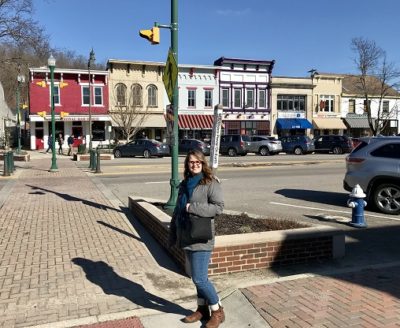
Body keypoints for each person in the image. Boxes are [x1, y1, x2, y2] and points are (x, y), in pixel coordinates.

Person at [169, 149, 225, 328]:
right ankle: (202, 309)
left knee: (200, 278)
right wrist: (173, 234)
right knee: (195, 276)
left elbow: (218, 208)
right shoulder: (184, 184)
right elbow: (178, 210)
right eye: (191, 162)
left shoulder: (210, 182)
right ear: (187, 164)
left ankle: (217, 310)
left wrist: (192, 207)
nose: (194, 165)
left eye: (197, 162)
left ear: (203, 163)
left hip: (201, 237)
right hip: (186, 234)